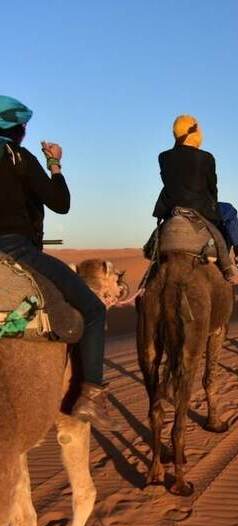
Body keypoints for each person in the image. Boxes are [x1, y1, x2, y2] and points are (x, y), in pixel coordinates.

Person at [0, 95, 117, 429]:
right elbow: (60, 203)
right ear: (18, 130)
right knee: (93, 310)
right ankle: (91, 395)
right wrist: (54, 164)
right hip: (15, 250)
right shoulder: (18, 158)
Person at [152, 115, 238, 283]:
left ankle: (148, 279)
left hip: (172, 210)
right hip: (201, 208)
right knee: (228, 211)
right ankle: (230, 263)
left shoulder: (163, 157)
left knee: (152, 247)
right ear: (195, 132)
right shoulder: (206, 158)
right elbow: (212, 189)